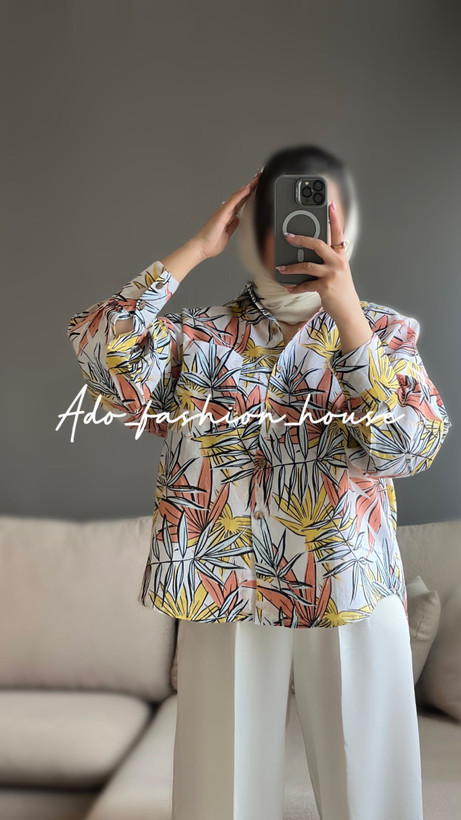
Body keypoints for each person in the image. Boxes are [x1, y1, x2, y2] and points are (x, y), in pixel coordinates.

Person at [67, 145, 452, 820]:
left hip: (348, 580)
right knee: (221, 796)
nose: (301, 230)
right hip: (227, 580)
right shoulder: (197, 339)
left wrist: (347, 315)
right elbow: (101, 351)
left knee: (373, 796)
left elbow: (406, 447)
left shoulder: (384, 334)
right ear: (251, 225)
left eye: (320, 214)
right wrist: (194, 249)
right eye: (281, 214)